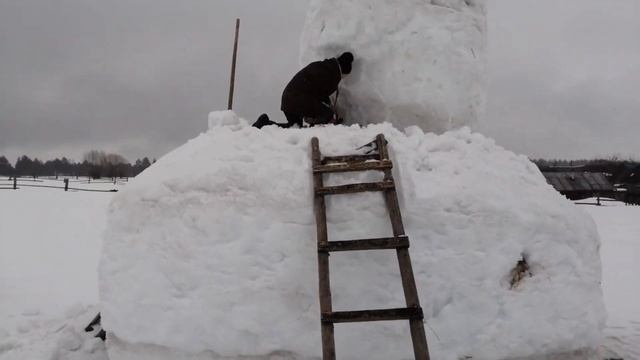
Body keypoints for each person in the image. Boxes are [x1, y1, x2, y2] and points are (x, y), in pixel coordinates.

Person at [253, 52, 354, 128]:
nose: (342, 78)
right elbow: (320, 94)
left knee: (294, 127)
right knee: (326, 114)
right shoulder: (329, 74)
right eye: (343, 76)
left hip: (290, 98)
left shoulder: (324, 67)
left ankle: (265, 124)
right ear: (343, 70)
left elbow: (316, 90)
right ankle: (319, 131)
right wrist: (328, 111)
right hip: (297, 100)